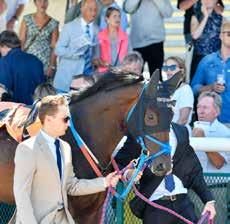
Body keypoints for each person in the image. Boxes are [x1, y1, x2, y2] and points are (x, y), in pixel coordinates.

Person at [13, 95, 120, 224]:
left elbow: (71, 185)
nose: (68, 124)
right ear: (49, 120)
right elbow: (21, 195)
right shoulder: (27, 149)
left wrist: (104, 182)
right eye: (65, 119)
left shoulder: (65, 148)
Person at [116, 122, 216, 222]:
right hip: (155, 207)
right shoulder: (138, 133)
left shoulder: (181, 131)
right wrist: (128, 174)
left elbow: (194, 170)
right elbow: (118, 164)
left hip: (183, 204)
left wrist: (209, 200)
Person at [53, 0, 98, 92]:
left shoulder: (97, 30)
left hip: (87, 80)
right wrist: (75, 53)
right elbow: (58, 50)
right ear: (82, 9)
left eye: (95, 10)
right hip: (67, 79)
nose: (93, 13)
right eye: (90, 9)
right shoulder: (69, 27)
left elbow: (95, 53)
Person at [191, 21, 230, 125]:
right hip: (211, 122)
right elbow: (194, 88)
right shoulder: (207, 60)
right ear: (221, 35)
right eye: (229, 34)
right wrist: (211, 87)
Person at [123, 0, 173, 76]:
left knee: (156, 78)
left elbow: (168, 13)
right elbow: (127, 8)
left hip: (156, 42)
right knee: (134, 77)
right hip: (137, 43)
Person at [0, 30, 45, 105]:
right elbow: (42, 87)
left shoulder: (5, 61)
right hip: (35, 108)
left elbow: (3, 89)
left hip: (16, 110)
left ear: (4, 45)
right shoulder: (35, 60)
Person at [19, 0, 59, 78]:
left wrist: (52, 66)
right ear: (35, 2)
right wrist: (19, 60)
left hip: (45, 62)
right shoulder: (26, 19)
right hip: (28, 59)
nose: (43, 3)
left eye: (45, 1)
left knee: (42, 87)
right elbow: (21, 41)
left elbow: (54, 46)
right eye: (40, 1)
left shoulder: (53, 23)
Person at [193, 91, 230, 172]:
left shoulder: (225, 132)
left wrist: (202, 140)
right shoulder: (190, 130)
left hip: (218, 184)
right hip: (197, 183)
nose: (200, 111)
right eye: (198, 107)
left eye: (205, 107)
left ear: (217, 112)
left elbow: (219, 163)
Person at [190, 0, 223, 80]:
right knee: (197, 86)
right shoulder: (195, 16)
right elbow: (195, 35)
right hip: (199, 58)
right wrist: (205, 16)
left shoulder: (221, 18)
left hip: (215, 59)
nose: (207, 1)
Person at [162, 56, 194, 134]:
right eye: (166, 68)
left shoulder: (186, 90)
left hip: (178, 134)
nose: (168, 71)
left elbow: (183, 119)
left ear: (182, 71)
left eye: (172, 67)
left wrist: (170, 134)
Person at [93, 7, 129, 73]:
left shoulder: (125, 36)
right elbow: (95, 60)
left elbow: (131, 57)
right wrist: (104, 64)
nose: (118, 19)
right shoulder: (99, 36)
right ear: (107, 19)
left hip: (122, 73)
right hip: (104, 73)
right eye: (114, 16)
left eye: (119, 16)